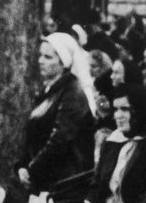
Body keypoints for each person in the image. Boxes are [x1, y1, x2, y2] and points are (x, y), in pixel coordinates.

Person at [17, 32, 96, 194]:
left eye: (48, 57)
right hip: (44, 178)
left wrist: (31, 169)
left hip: (65, 181)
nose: (41, 61)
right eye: (40, 56)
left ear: (63, 63)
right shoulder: (49, 91)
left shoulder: (72, 92)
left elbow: (61, 137)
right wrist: (21, 166)